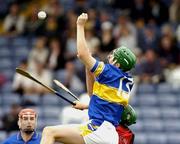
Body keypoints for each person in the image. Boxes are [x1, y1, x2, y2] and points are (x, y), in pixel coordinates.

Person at [40, 13, 136, 144]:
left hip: (97, 129)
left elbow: (82, 54)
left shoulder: (110, 71)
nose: (110, 56)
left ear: (118, 64)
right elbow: (94, 95)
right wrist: (86, 105)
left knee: (49, 132)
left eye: (114, 56)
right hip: (110, 135)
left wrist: (80, 25)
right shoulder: (127, 81)